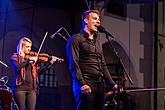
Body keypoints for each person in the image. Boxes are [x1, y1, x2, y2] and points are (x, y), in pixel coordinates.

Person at [66, 10, 118, 110]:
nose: (98, 22)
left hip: (99, 84)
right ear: (86, 20)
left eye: (99, 19)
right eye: (94, 18)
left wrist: (112, 84)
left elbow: (103, 65)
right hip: (85, 82)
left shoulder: (97, 42)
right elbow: (74, 64)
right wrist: (82, 83)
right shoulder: (76, 39)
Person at [10, 37, 63, 110]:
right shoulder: (15, 57)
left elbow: (39, 72)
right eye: (27, 47)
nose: (29, 49)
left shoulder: (33, 58)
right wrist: (28, 60)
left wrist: (50, 63)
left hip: (32, 89)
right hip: (19, 89)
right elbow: (17, 68)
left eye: (30, 47)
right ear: (22, 46)